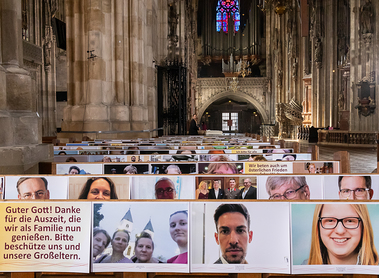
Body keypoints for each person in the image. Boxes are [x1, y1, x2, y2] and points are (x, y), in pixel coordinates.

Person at [307, 204, 378, 265]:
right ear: (318, 226)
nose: (340, 231)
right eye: (330, 220)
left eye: (350, 221)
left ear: (363, 226)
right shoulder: (301, 270)